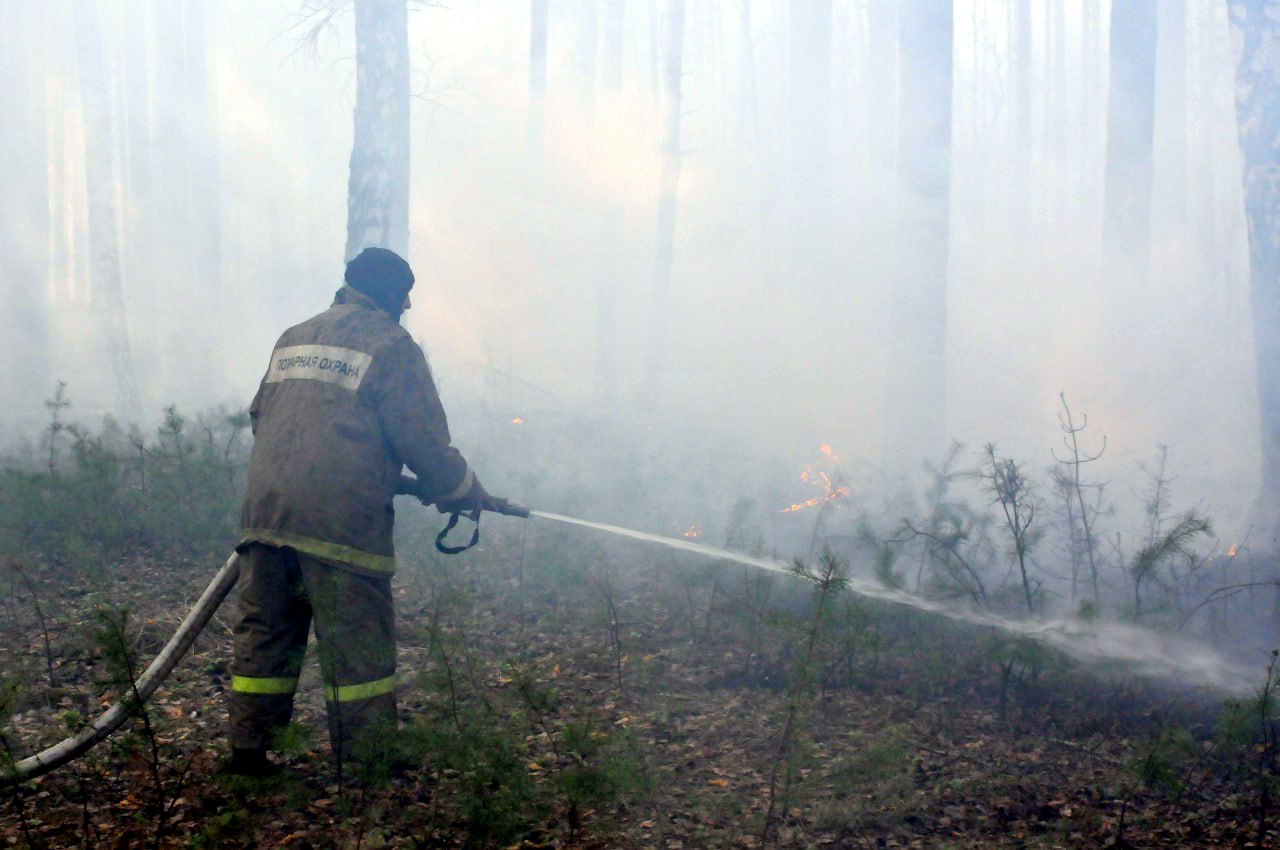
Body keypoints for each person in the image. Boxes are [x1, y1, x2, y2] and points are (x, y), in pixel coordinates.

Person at [226, 247, 493, 776]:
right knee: (357, 646)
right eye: (406, 293)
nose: (410, 304)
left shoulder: (294, 336)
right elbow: (423, 441)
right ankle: (367, 760)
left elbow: (264, 415)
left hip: (267, 515)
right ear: (390, 293)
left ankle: (247, 753)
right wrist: (462, 489)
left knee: (266, 635)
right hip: (339, 526)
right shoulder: (391, 345)